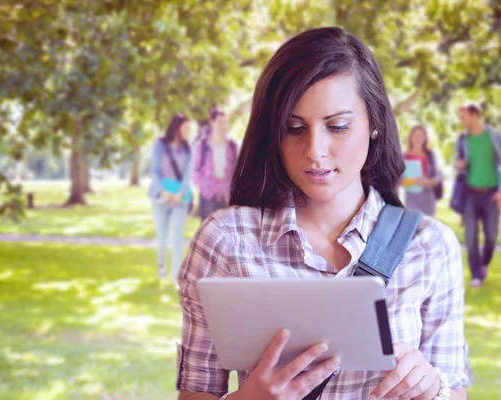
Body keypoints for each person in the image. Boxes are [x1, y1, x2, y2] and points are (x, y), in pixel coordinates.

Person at [177, 27, 471, 400]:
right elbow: (196, 393)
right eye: (294, 128)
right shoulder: (226, 240)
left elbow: (455, 392)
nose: (315, 151)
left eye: (338, 127)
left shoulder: (429, 246)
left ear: (374, 124)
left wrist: (435, 387)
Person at [456, 103, 501, 288]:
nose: (462, 120)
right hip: (470, 194)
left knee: (491, 236)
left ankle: (484, 263)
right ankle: (477, 275)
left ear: (475, 115)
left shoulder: (494, 136)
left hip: (491, 193)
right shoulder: (463, 139)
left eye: (464, 116)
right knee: (471, 235)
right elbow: (461, 165)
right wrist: (459, 166)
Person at [148, 114, 192, 280]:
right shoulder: (160, 145)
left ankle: (176, 276)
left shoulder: (188, 149)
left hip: (180, 198)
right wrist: (162, 192)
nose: (189, 131)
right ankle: (161, 269)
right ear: (177, 128)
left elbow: (188, 173)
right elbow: (154, 170)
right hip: (161, 197)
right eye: (186, 128)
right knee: (162, 237)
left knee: (177, 238)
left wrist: (180, 193)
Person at [192, 107, 238, 220]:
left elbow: (238, 170)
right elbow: (194, 171)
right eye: (220, 122)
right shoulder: (202, 145)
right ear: (212, 122)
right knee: (207, 232)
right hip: (207, 196)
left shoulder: (232, 145)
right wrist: (205, 187)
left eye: (225, 122)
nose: (223, 125)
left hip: (226, 196)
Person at [401, 125, 442, 216]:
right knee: (414, 228)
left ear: (425, 138)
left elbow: (438, 176)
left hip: (428, 200)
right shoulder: (404, 157)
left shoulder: (430, 155)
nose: (418, 138)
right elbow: (399, 180)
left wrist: (430, 182)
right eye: (415, 135)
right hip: (412, 201)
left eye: (421, 136)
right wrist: (414, 182)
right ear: (411, 137)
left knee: (428, 228)